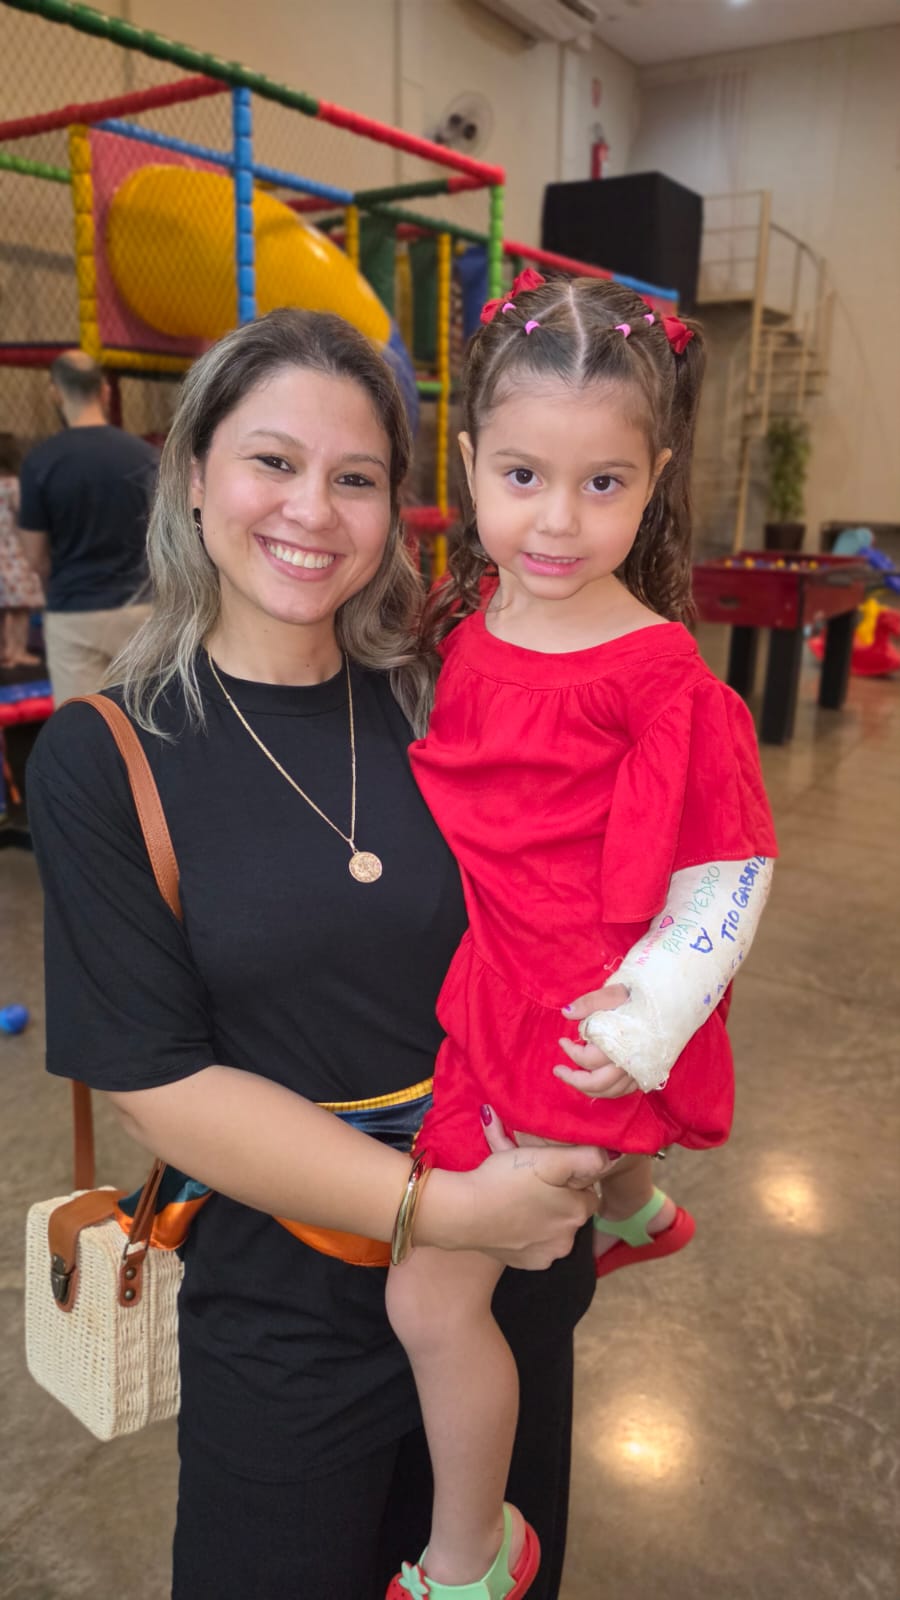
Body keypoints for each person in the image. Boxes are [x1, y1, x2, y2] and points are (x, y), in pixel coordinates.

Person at [26, 308, 611, 1600]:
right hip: (293, 1313)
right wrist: (444, 1210)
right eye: (272, 463)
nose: (313, 511)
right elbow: (158, 1078)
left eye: (357, 478)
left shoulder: (451, 697)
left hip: (510, 1286)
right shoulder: (105, 754)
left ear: (399, 507)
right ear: (193, 475)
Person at [385, 274, 778, 1598]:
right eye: (522, 476)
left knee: (429, 1301)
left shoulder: (663, 673)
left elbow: (728, 871)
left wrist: (653, 1018)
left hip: (579, 1026)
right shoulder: (475, 621)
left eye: (603, 485)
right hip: (482, 994)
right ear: (468, 463)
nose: (556, 521)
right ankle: (636, 1204)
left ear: (656, 476)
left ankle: (471, 1553)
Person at [17, 350, 157, 703]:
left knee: (81, 737)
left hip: (74, 613)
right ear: (106, 391)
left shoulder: (41, 462)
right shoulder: (144, 456)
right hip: (142, 611)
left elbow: (35, 557)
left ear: (55, 392)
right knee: (148, 725)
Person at [0, 432, 44, 668]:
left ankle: (4, 649)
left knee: (3, 607)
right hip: (13, 553)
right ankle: (16, 650)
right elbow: (23, 515)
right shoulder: (14, 486)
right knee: (19, 608)